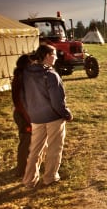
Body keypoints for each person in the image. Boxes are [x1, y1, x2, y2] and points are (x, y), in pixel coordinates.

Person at [21, 45, 73, 188]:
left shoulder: (27, 73)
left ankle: (29, 180)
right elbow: (57, 102)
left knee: (35, 150)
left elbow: (23, 97)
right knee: (54, 148)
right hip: (53, 118)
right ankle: (50, 177)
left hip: (36, 118)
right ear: (48, 56)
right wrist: (67, 114)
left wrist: (31, 112)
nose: (56, 57)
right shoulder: (51, 75)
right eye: (54, 54)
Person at [12, 54, 33, 177]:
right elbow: (21, 102)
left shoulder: (21, 77)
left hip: (24, 114)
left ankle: (25, 166)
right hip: (23, 115)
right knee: (25, 142)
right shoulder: (21, 79)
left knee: (28, 141)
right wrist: (28, 119)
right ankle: (21, 170)